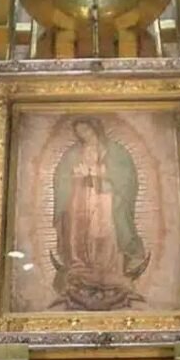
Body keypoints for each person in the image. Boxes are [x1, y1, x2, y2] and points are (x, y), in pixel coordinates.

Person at [50, 118, 148, 310]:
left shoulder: (116, 152)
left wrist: (103, 175)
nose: (83, 135)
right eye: (79, 132)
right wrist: (74, 176)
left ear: (95, 129)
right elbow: (61, 178)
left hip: (106, 199)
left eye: (86, 130)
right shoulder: (72, 154)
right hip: (80, 198)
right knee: (79, 230)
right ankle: (80, 267)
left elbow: (126, 178)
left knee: (104, 231)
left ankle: (110, 269)